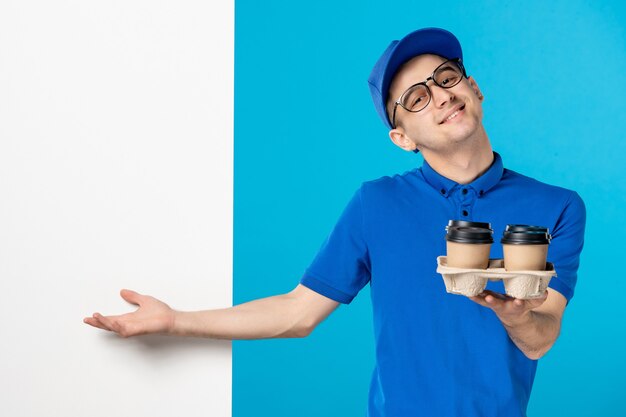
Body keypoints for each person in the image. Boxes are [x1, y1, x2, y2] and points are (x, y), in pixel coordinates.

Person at [84, 27, 586, 417]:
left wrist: (516, 313)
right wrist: (175, 320)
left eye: (447, 78)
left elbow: (541, 338)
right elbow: (298, 313)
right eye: (416, 97)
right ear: (402, 137)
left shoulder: (556, 206)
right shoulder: (377, 203)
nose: (440, 95)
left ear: (473, 89)